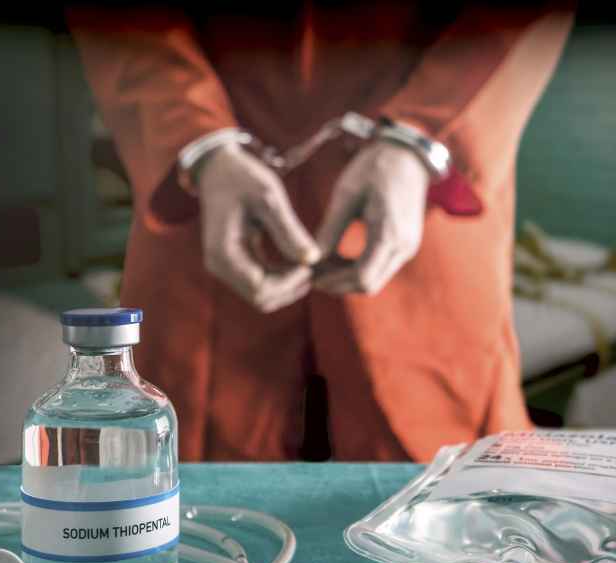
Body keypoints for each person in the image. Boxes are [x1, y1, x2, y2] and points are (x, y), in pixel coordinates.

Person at [68, 2, 574, 461]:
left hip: (420, 199)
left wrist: (425, 137)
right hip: (208, 202)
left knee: (442, 479)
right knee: (189, 485)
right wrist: (197, 141)